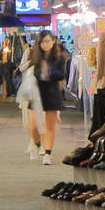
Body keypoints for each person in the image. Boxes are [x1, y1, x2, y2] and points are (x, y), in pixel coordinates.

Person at [20, 31, 69, 164]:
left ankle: (48, 153)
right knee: (34, 126)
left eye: (47, 41)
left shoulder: (60, 57)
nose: (45, 44)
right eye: (42, 42)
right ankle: (37, 145)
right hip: (35, 94)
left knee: (49, 126)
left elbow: (61, 75)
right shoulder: (36, 57)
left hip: (52, 93)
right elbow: (27, 71)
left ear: (53, 41)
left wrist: (49, 72)